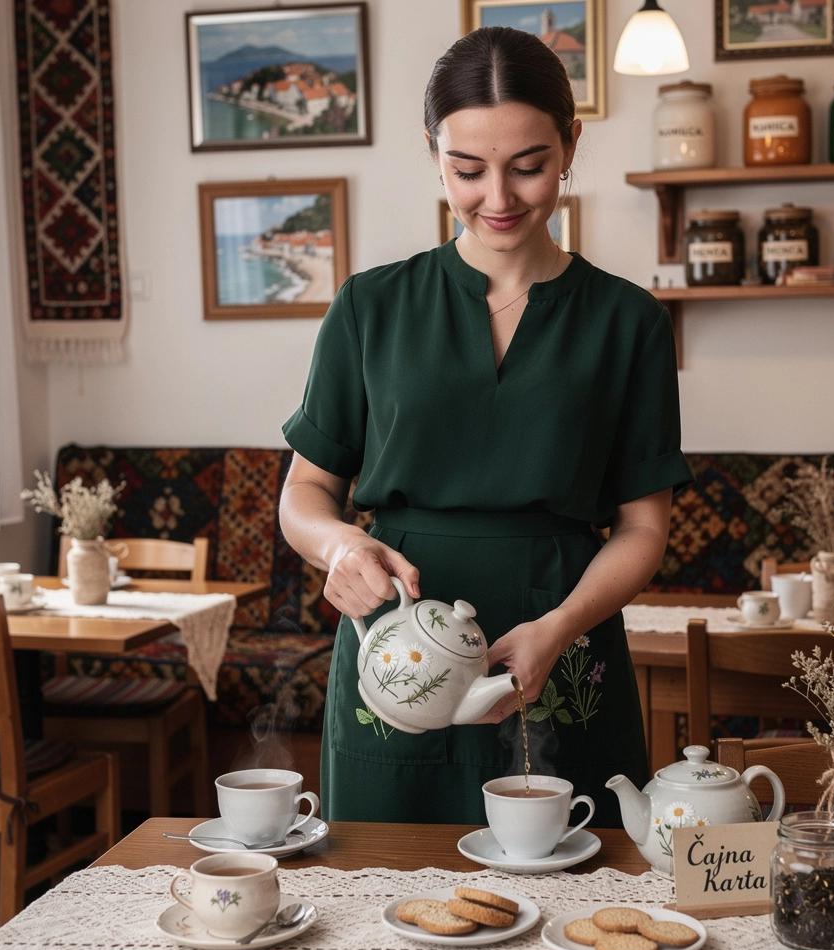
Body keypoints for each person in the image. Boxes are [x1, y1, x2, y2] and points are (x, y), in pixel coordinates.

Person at [279, 27, 691, 827]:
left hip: (566, 643)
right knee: (385, 909)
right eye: (468, 170)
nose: (498, 199)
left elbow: (644, 527)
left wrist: (562, 626)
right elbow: (305, 493)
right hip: (399, 649)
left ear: (572, 143)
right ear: (433, 152)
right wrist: (341, 547)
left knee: (580, 918)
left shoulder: (629, 321)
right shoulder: (369, 307)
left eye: (529, 167)